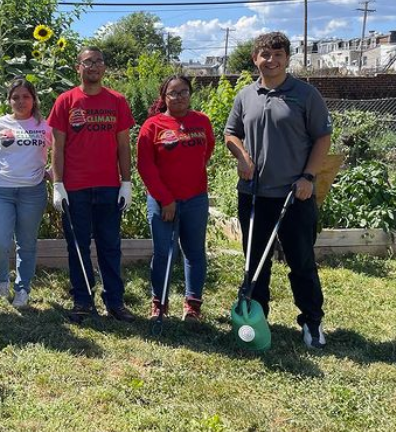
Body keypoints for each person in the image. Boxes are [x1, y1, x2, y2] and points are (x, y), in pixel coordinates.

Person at [225, 31, 332, 349]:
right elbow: (231, 133)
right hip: (254, 194)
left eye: (277, 55)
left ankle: (312, 322)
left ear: (287, 58)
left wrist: (308, 177)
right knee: (254, 261)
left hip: (294, 195)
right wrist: (242, 157)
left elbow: (322, 139)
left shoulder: (305, 94)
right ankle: (256, 319)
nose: (270, 61)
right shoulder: (246, 95)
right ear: (254, 59)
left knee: (301, 261)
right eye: (264, 55)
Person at [48, 46, 135, 323]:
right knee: (78, 246)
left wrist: (127, 183)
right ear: (79, 68)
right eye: (88, 62)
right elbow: (57, 148)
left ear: (104, 67)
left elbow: (124, 145)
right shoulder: (65, 101)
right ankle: (82, 300)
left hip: (109, 187)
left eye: (98, 61)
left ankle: (115, 302)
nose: (94, 66)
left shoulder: (117, 101)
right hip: (75, 188)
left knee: (111, 245)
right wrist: (57, 184)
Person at [137, 75, 215, 322]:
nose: (179, 97)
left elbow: (207, 151)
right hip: (163, 202)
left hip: (195, 199)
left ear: (190, 94)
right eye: (173, 93)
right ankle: (159, 304)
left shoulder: (201, 121)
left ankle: (193, 305)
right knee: (163, 253)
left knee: (194, 252)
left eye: (183, 92)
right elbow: (145, 167)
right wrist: (165, 199)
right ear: (164, 97)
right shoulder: (152, 126)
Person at [0, 78, 52, 308]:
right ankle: (1, 281)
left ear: (34, 99)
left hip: (33, 193)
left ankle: (23, 288)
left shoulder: (44, 126)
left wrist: (51, 173)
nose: (20, 101)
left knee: (26, 244)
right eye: (15, 97)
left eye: (26, 96)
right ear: (8, 100)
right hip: (0, 192)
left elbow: (61, 152)